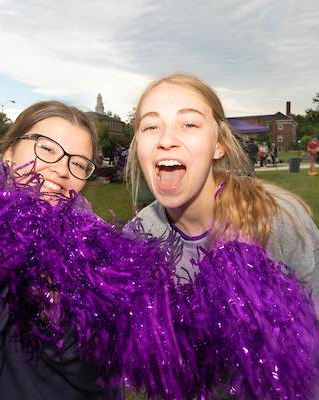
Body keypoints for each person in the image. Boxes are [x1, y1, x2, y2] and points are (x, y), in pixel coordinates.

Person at [0, 101, 122, 400]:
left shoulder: (99, 252)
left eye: (79, 163)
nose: (61, 169)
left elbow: (103, 379)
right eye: (47, 148)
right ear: (10, 152)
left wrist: (54, 315)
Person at [126, 72, 319, 294]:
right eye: (151, 127)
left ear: (218, 146)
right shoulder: (137, 236)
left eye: (189, 124)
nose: (166, 140)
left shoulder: (277, 219)